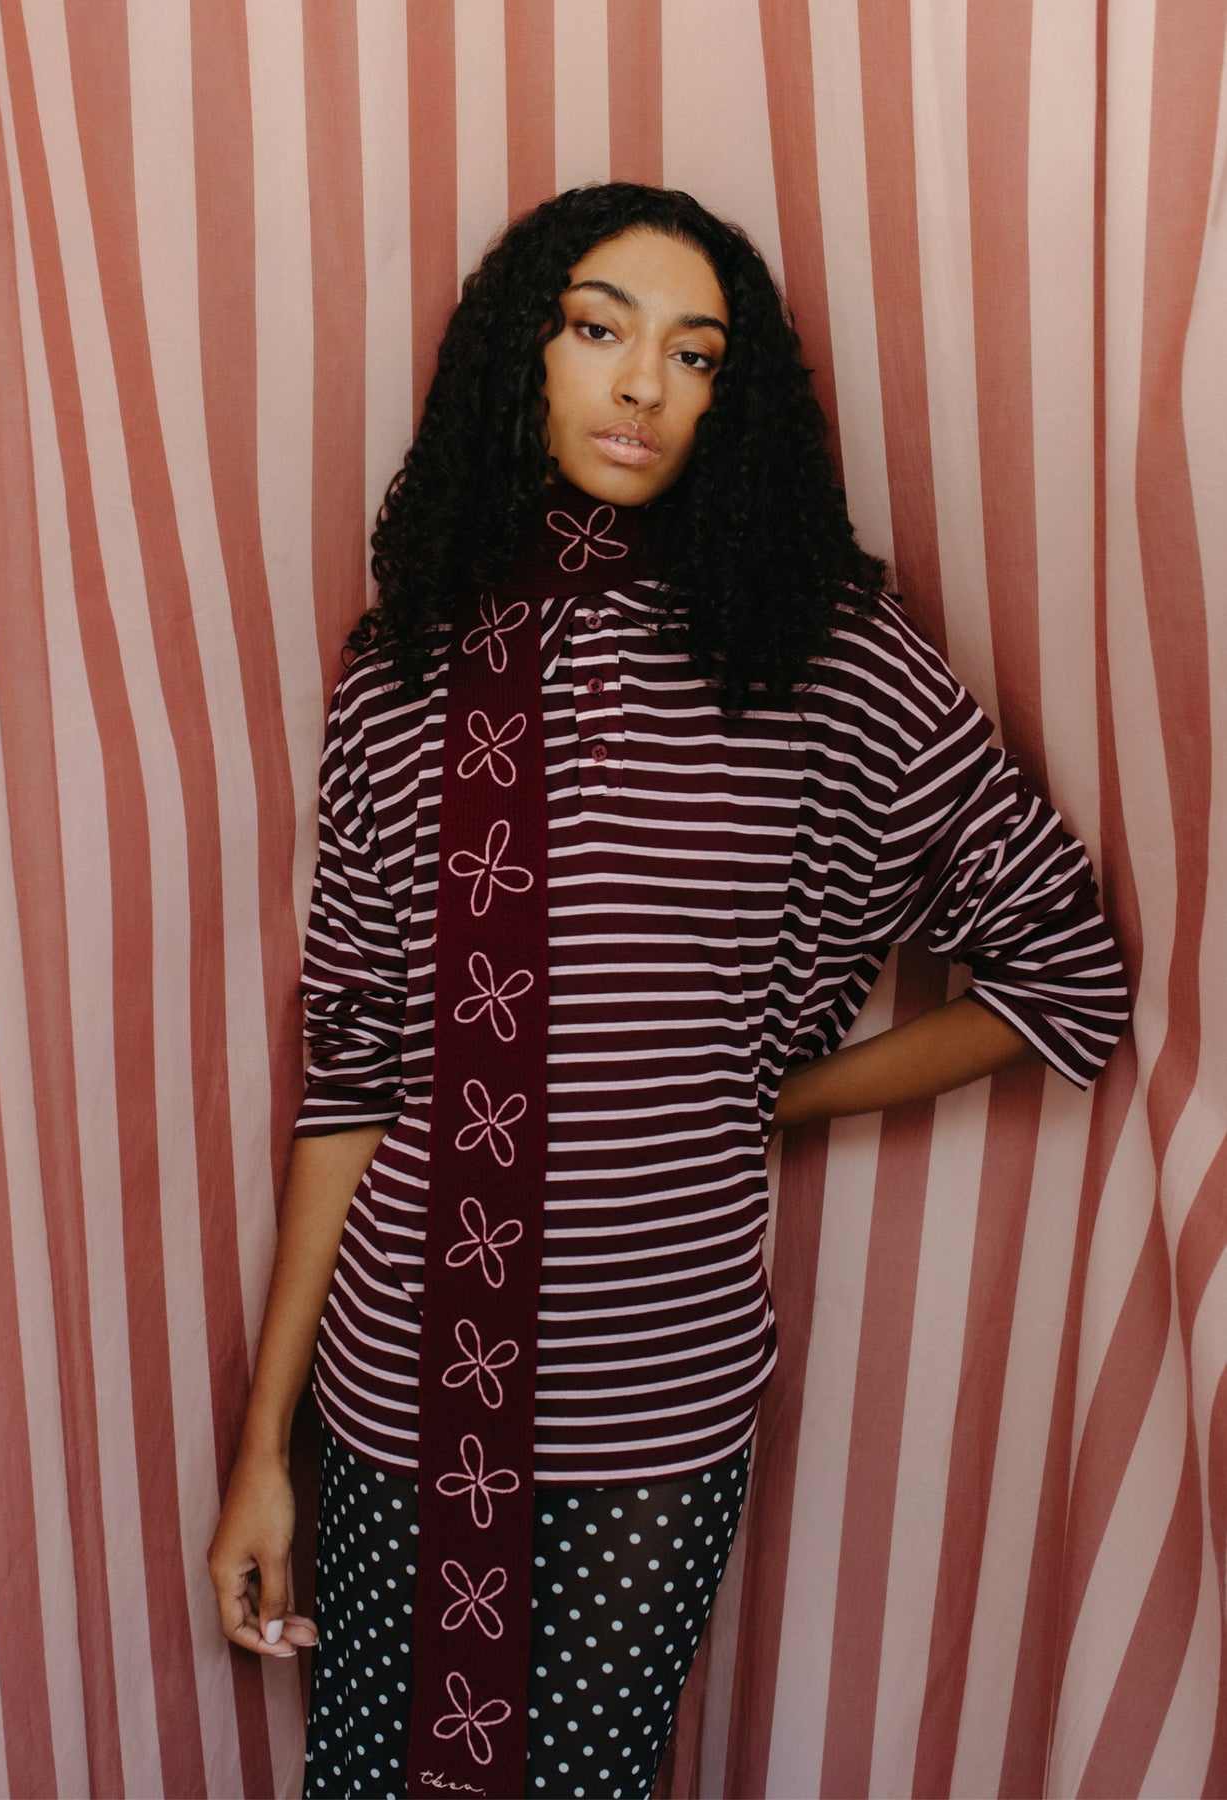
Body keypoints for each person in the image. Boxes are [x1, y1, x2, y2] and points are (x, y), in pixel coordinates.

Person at [208, 183, 1128, 1800]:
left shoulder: (816, 651)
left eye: (696, 355)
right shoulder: (400, 665)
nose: (644, 384)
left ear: (732, 401)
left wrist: (754, 1095)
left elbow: (1068, 973)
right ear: (522, 354)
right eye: (599, 330)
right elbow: (351, 1073)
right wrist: (263, 1448)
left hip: (656, 1393)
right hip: (396, 1379)